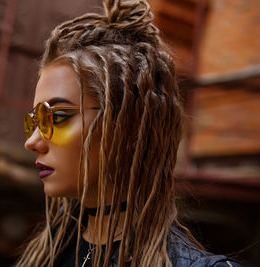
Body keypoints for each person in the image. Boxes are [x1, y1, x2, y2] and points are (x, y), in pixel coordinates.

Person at [17, 0, 243, 266]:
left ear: (128, 126)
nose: (32, 142)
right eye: (35, 120)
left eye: (57, 117)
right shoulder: (46, 256)